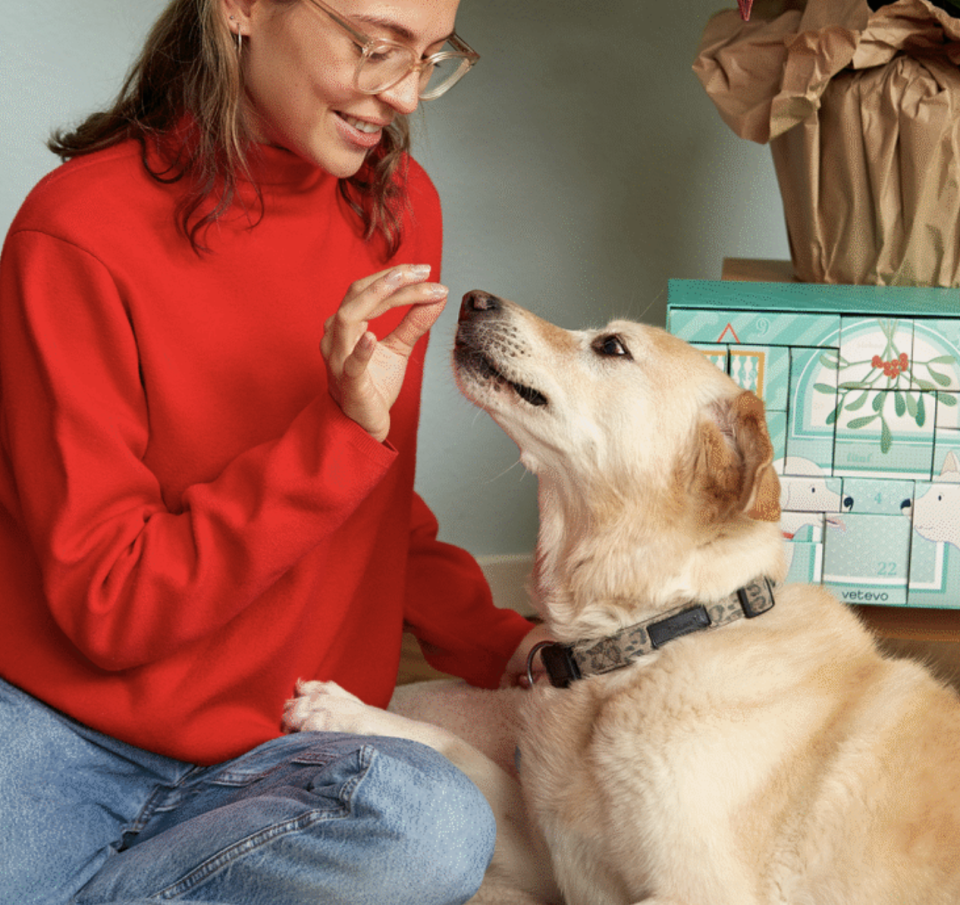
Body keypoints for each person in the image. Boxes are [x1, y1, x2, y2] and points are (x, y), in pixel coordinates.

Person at [0, 0, 548, 902]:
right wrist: (334, 436)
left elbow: (370, 505)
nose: (405, 94)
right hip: (58, 731)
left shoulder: (399, 212)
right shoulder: (76, 232)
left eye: (433, 57)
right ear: (242, 8)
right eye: (375, 47)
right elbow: (111, 604)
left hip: (290, 745)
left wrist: (508, 647)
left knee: (433, 825)